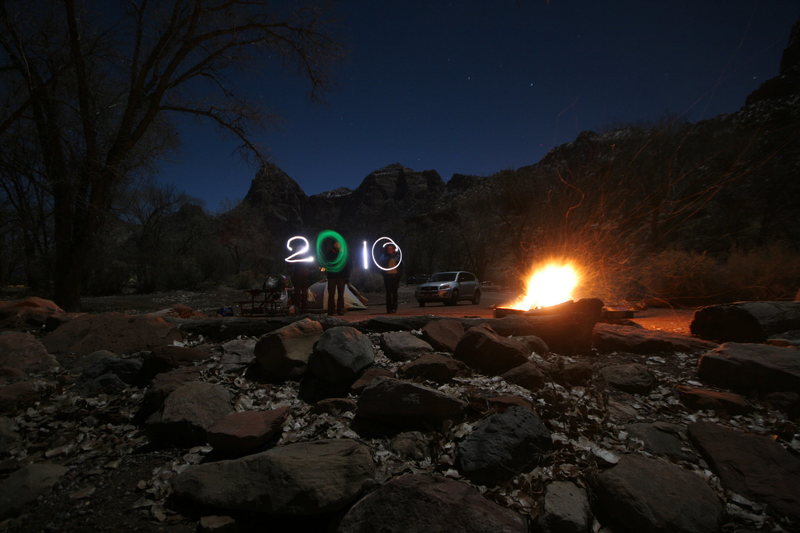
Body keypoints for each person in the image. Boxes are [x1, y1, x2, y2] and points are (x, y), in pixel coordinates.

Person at [325, 239, 351, 315]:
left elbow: (347, 265)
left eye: (339, 244)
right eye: (337, 243)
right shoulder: (329, 254)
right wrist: (325, 272)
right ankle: (331, 311)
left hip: (341, 277)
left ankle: (340, 310)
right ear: (334, 245)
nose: (339, 245)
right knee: (331, 294)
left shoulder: (342, 254)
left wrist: (347, 277)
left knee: (341, 294)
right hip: (331, 277)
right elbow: (325, 265)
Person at [382, 243, 402, 313]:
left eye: (391, 248)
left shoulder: (398, 257)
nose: (389, 250)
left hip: (395, 276)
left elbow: (402, 266)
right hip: (387, 276)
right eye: (388, 249)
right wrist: (384, 274)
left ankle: (394, 308)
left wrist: (399, 275)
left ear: (393, 249)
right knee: (388, 293)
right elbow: (381, 264)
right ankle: (389, 308)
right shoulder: (384, 257)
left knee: (394, 293)